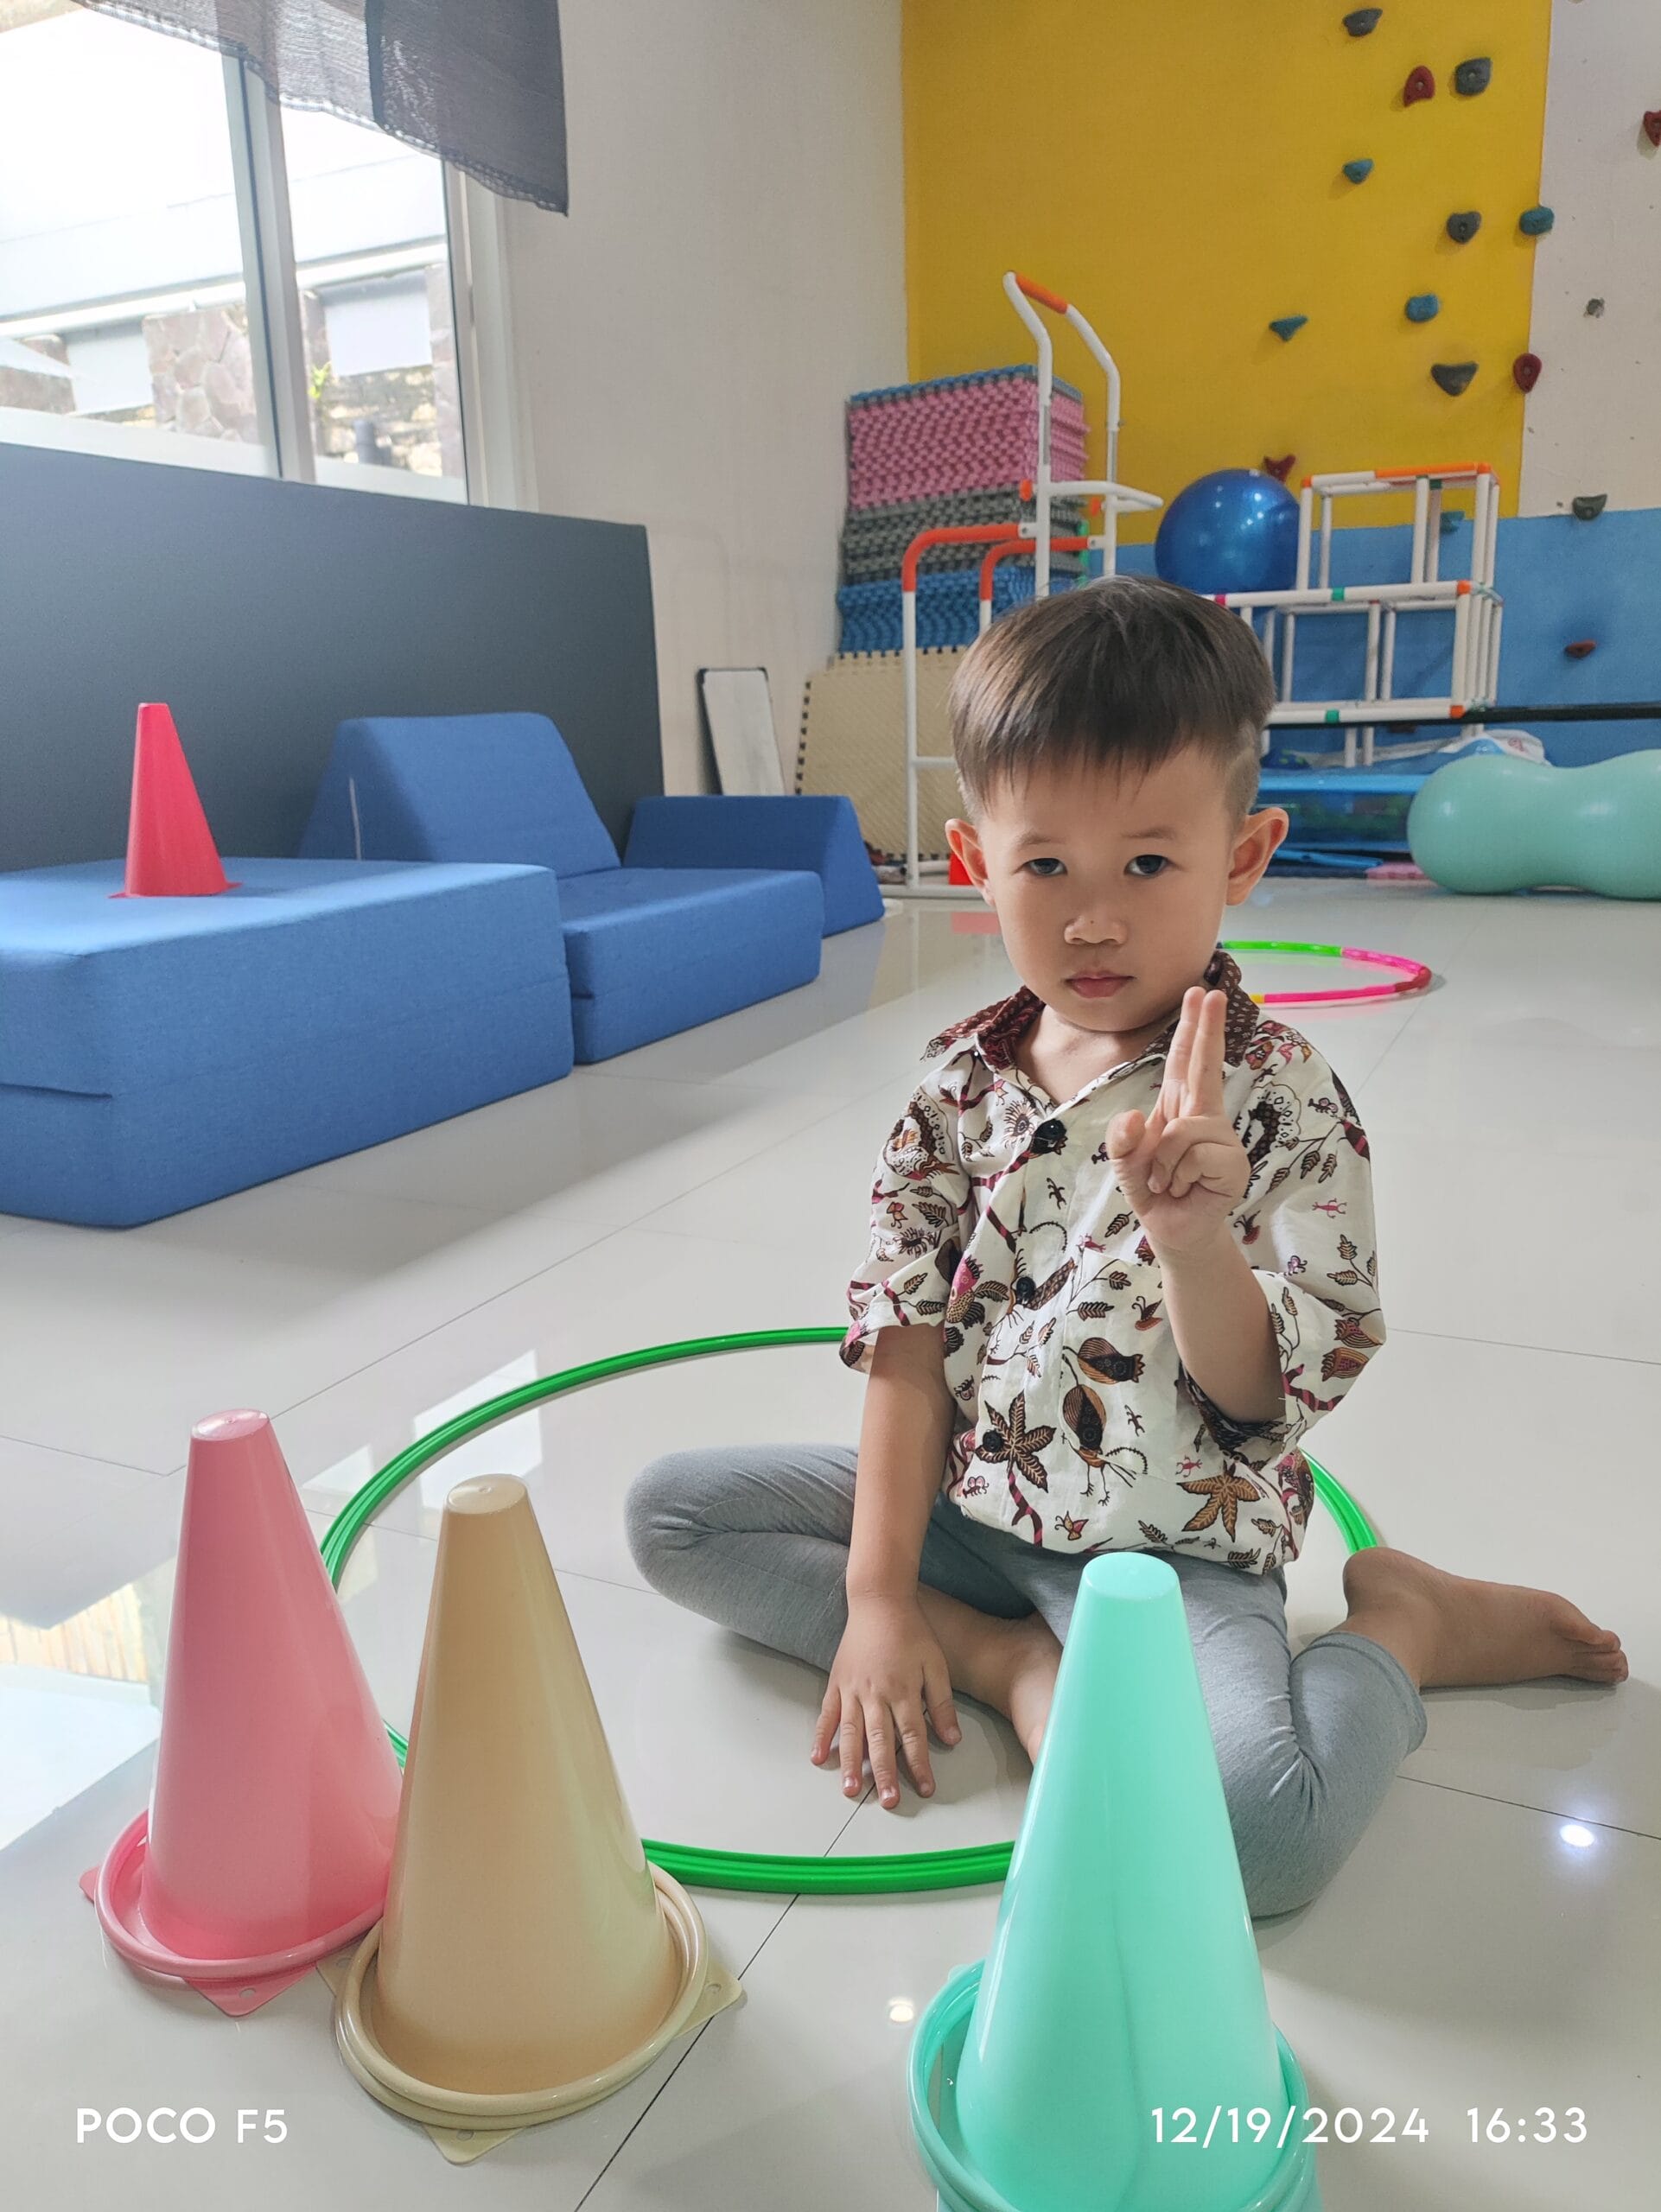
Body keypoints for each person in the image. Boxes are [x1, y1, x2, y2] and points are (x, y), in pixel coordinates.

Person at [627, 577, 1626, 1916]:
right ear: (974, 862)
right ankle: (1003, 1662)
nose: (1091, 919)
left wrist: (1193, 1241)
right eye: (1045, 866)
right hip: (973, 1511)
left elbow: (1262, 1398)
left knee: (1258, 1845)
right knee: (673, 1514)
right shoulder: (953, 1085)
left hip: (1173, 1552)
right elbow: (905, 1347)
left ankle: (1405, 1626)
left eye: (1147, 865)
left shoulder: (1280, 1096)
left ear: (1243, 857)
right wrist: (879, 1602)